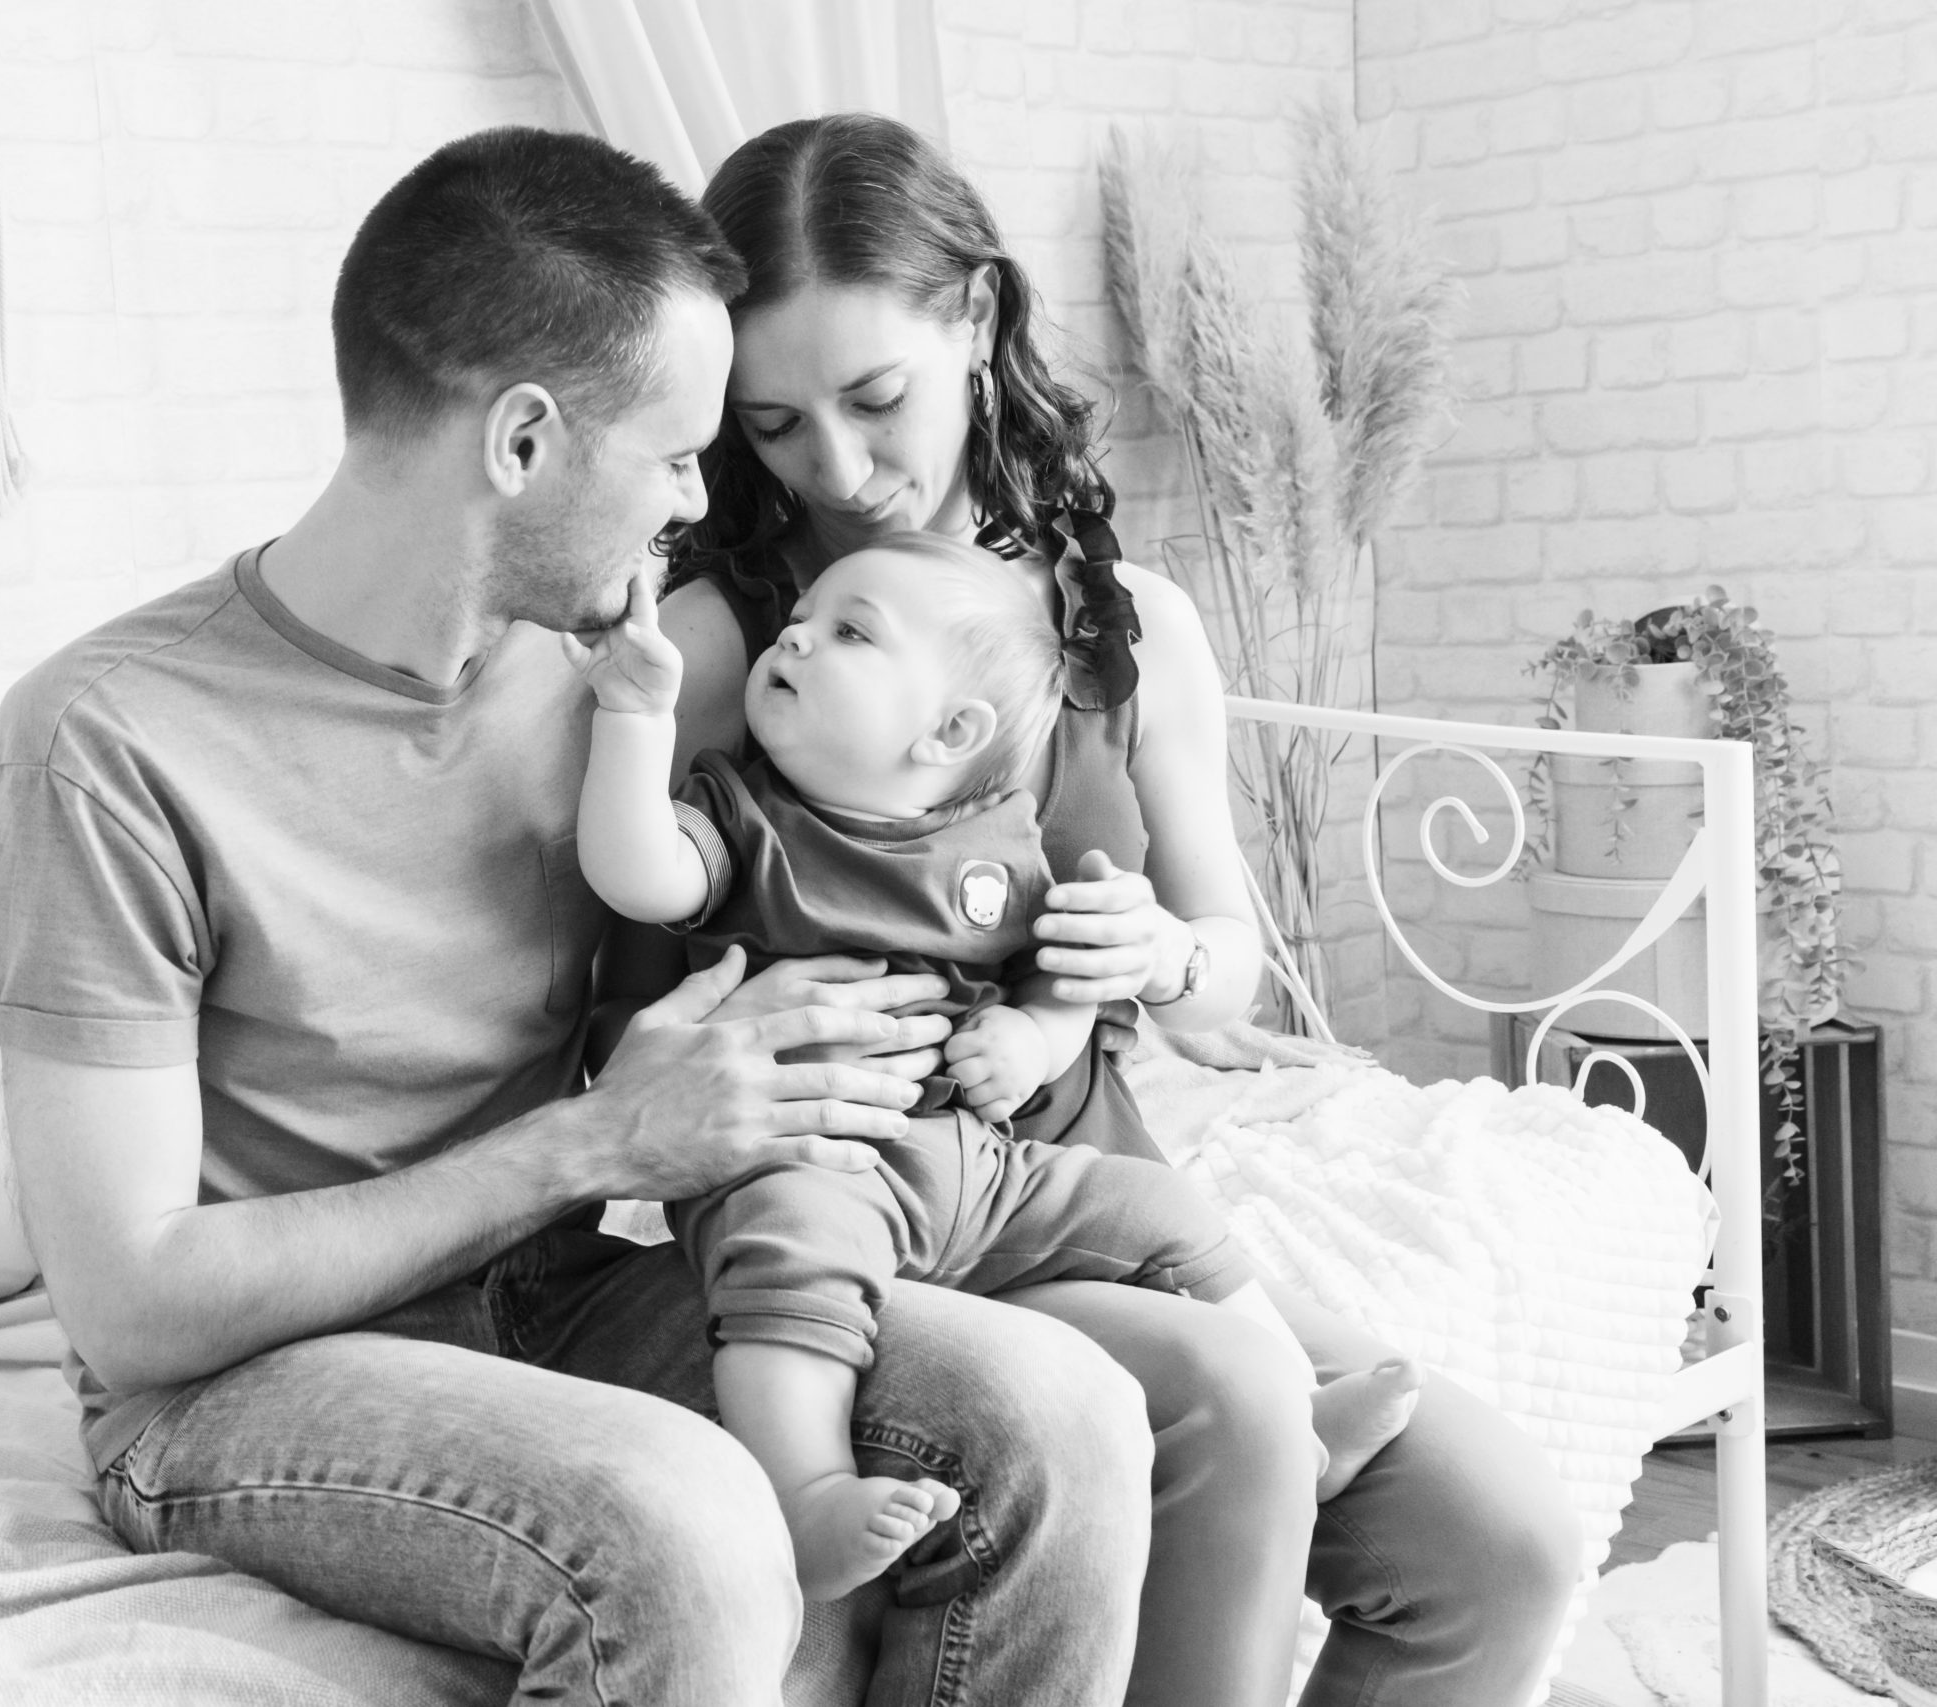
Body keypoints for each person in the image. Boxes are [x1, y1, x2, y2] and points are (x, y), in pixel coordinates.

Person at [0, 126, 1156, 1707]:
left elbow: (845, 856)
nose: (695, 507)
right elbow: (134, 1302)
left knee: (1057, 1410)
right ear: (522, 440)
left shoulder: (613, 688)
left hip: (561, 1289)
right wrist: (597, 1141)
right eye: (674, 458)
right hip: (242, 1380)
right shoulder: (100, 745)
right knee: (690, 1527)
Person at [634, 112, 1584, 1707]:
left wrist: (1156, 952)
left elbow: (1227, 982)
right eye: (780, 423)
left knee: (1505, 1549)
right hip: (869, 1207)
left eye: (878, 402)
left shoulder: (1124, 627)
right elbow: (589, 978)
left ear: (981, 322)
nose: (843, 473)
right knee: (1229, 1385)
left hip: (1090, 1172)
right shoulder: (729, 647)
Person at [571, 530, 1422, 1601]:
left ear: (950, 732)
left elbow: (1063, 975)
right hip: (810, 1157)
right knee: (786, 1259)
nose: (794, 635)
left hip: (982, 1164)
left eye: (848, 633)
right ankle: (806, 1489)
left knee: (1154, 1207)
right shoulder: (742, 821)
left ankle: (1301, 1418)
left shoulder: (994, 839)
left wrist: (1030, 1036)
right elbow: (638, 874)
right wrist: (633, 715)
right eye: (800, 620)